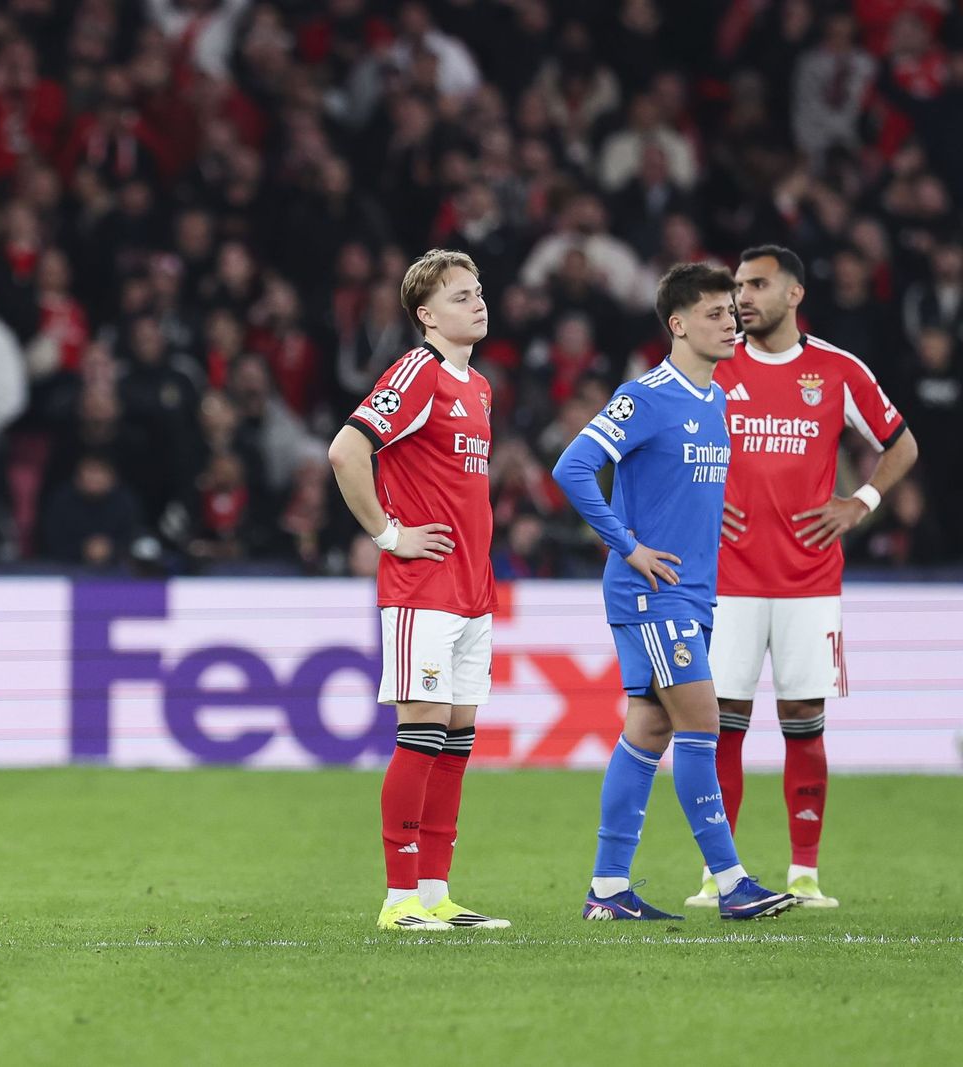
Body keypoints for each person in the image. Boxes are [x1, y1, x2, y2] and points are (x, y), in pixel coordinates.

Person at [552, 262, 796, 922]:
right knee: (702, 721)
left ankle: (607, 889)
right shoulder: (645, 395)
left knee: (650, 729)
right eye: (717, 313)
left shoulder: (716, 400)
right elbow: (572, 467)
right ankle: (732, 881)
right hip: (649, 592)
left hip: (692, 592)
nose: (732, 321)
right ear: (678, 324)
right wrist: (626, 545)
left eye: (733, 312)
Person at [684, 246, 919, 909]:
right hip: (725, 581)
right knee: (721, 722)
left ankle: (805, 875)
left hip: (809, 580)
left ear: (794, 294)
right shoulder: (711, 367)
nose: (742, 297)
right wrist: (697, 498)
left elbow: (901, 442)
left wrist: (860, 503)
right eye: (736, 287)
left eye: (757, 285)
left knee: (804, 719)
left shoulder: (838, 371)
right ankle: (718, 874)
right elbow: (660, 443)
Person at [327, 249, 508, 932]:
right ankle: (399, 897)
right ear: (427, 314)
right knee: (422, 731)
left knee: (456, 739)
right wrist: (387, 533)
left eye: (479, 291)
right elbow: (347, 450)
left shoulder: (479, 386)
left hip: (471, 589)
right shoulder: (419, 370)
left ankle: (436, 893)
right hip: (423, 586)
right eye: (461, 296)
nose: (478, 303)